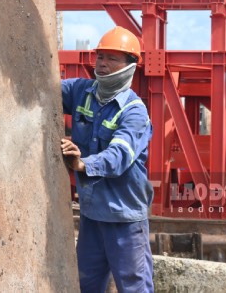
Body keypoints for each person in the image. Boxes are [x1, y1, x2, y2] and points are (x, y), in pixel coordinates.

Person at [61, 26, 154, 293]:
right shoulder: (82, 91)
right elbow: (47, 89)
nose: (102, 64)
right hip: (92, 215)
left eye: (112, 58)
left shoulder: (135, 112)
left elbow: (119, 156)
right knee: (86, 285)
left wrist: (83, 164)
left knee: (134, 287)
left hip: (124, 219)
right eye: (100, 56)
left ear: (130, 66)